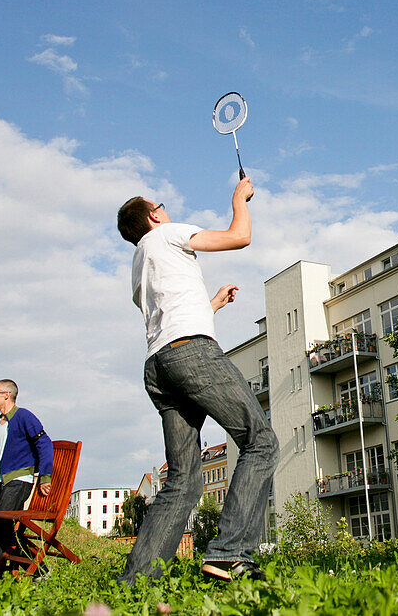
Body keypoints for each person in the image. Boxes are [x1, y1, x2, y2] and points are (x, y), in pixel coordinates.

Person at [116, 179, 279, 584]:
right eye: (162, 206)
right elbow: (239, 237)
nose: (166, 211)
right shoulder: (168, 234)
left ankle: (138, 582)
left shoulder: (139, 263)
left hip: (159, 366)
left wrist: (213, 305)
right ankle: (229, 554)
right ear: (154, 216)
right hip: (190, 354)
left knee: (184, 480)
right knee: (261, 441)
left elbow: (171, 317)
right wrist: (238, 201)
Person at [0, 379, 53, 577]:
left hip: (19, 480)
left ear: (7, 395)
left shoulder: (24, 416)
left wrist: (45, 476)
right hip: (0, 484)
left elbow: (45, 444)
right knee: (2, 531)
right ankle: (37, 572)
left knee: (0, 528)